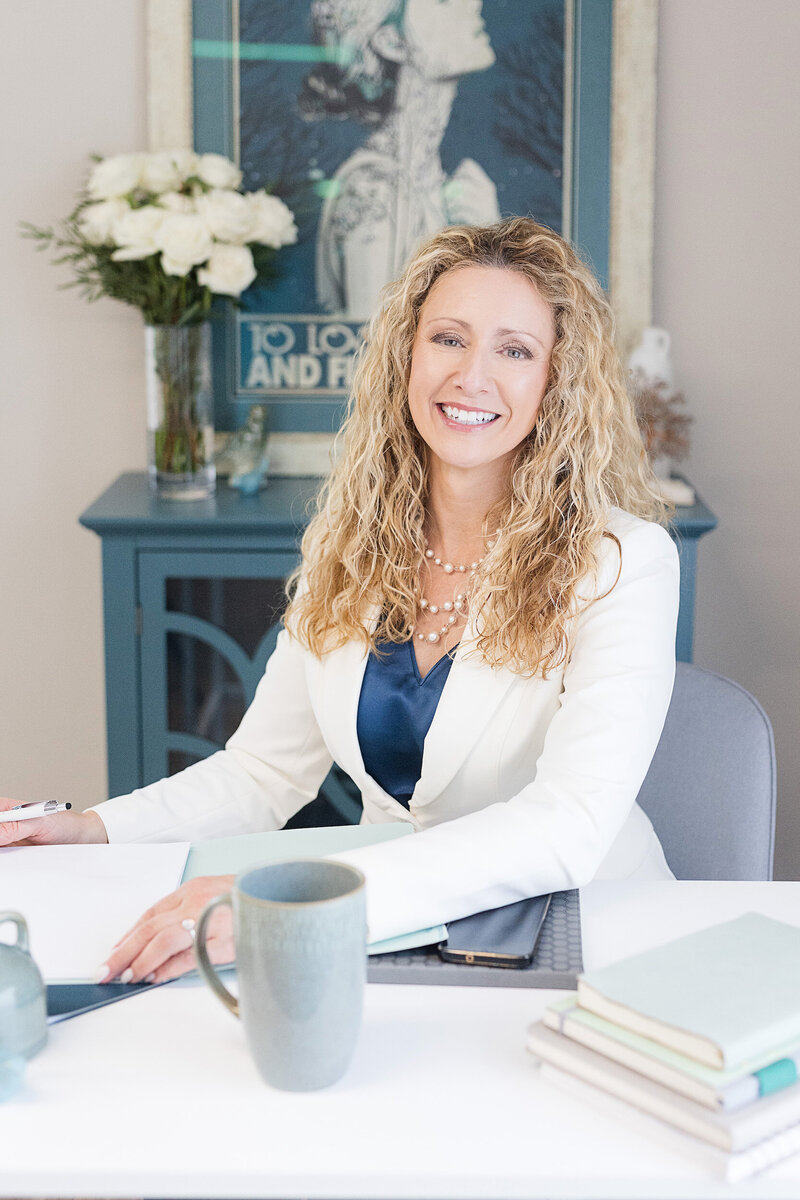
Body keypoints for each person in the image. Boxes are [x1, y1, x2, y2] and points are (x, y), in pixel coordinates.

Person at [1, 217, 680, 985]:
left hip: (582, 931)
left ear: (557, 381)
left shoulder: (622, 563)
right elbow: (261, 774)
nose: (472, 376)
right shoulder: (350, 541)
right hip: (391, 935)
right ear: (406, 356)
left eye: (515, 350)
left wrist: (306, 899)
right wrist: (91, 829)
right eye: (448, 339)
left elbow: (569, 824)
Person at [302, 0, 500, 319]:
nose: (473, 2)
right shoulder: (377, 191)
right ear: (391, 42)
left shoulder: (427, 180)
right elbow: (372, 358)